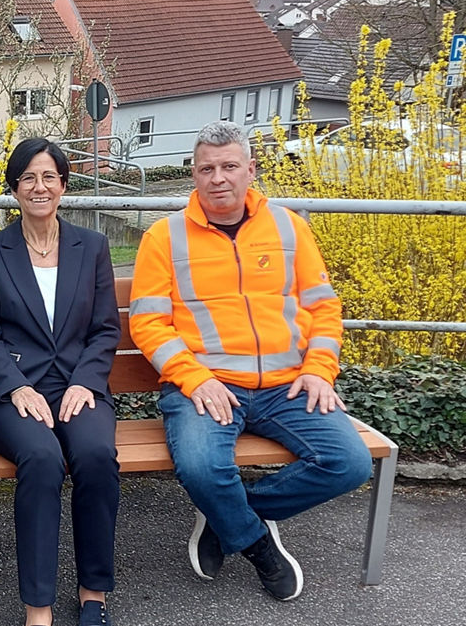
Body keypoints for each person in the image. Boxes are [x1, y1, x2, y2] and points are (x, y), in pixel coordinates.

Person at [129, 120, 372, 601]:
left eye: (229, 166)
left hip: (289, 386)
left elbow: (324, 307)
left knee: (350, 463)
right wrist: (195, 379)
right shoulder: (164, 238)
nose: (218, 178)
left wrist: (319, 369)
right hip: (206, 384)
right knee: (200, 468)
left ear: (250, 170)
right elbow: (148, 324)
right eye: (206, 169)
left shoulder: (290, 227)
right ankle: (260, 546)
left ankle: (227, 517)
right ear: (193, 176)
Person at [0, 138, 121, 626]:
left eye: (49, 176)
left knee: (97, 455)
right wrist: (14, 386)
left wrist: (86, 381)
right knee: (41, 459)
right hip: (10, 394)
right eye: (28, 178)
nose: (39, 187)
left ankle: (93, 594)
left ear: (63, 184)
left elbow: (105, 330)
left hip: (77, 387)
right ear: (14, 188)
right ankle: (38, 613)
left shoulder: (92, 247)